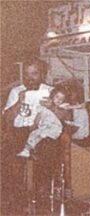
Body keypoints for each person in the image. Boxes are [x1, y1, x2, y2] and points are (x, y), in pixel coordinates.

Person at [2, 56, 53, 210]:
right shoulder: (16, 91)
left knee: (44, 157)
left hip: (41, 133)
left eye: (34, 73)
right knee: (10, 160)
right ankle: (16, 200)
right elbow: (7, 118)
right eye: (27, 74)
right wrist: (18, 103)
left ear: (42, 74)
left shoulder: (50, 91)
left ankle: (41, 197)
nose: (30, 78)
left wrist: (52, 107)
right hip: (19, 132)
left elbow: (66, 116)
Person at [16, 86, 71, 158]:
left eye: (61, 99)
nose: (59, 100)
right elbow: (38, 118)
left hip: (54, 129)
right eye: (57, 97)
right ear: (52, 96)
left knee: (41, 136)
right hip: (44, 127)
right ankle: (27, 150)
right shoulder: (43, 107)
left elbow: (66, 114)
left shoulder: (62, 109)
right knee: (34, 134)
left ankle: (32, 151)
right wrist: (34, 126)